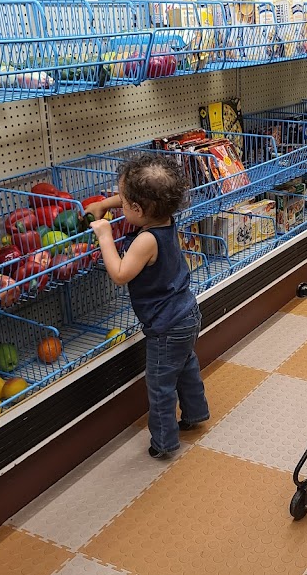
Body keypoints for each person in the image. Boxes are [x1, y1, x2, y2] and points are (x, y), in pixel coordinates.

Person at [86, 155, 210, 459]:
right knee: (186, 367)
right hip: (187, 313)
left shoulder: (145, 242)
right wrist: (107, 204)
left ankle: (164, 443)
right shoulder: (164, 217)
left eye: (124, 202)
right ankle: (196, 413)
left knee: (160, 385)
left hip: (166, 327)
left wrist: (104, 235)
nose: (121, 204)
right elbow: (135, 200)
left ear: (139, 208)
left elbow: (119, 274)